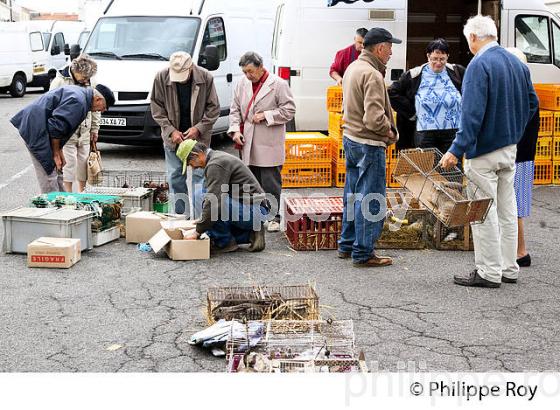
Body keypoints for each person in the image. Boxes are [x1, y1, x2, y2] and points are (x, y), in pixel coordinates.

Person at [441, 15, 539, 288]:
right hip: (509, 149)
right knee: (507, 210)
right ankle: (509, 269)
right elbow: (532, 103)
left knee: (482, 212)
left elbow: (471, 116)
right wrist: (514, 131)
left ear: (473, 37)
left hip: (483, 152)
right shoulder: (516, 63)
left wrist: (455, 149)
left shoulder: (478, 65)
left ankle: (488, 272)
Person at [337, 27, 400, 268]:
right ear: (380, 48)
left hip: (351, 138)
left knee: (353, 195)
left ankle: (347, 244)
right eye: (390, 47)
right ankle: (363, 253)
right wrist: (391, 132)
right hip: (368, 143)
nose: (391, 52)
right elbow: (374, 119)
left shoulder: (353, 67)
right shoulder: (372, 74)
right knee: (371, 198)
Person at [228, 51, 296, 232]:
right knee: (251, 181)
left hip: (269, 141)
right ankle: (256, 215)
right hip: (247, 139)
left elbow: (289, 110)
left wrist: (266, 115)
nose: (248, 75)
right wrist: (234, 130)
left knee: (270, 181)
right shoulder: (242, 83)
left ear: (260, 67)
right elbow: (234, 109)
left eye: (250, 71)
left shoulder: (278, 84)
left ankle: (273, 216)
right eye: (244, 72)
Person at [150, 51, 220, 218]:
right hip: (173, 139)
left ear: (191, 68)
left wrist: (199, 128)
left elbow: (213, 108)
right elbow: (157, 108)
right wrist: (170, 130)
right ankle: (180, 217)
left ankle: (199, 220)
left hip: (199, 140)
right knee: (175, 178)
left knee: (199, 179)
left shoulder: (205, 77)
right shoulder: (161, 77)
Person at [10, 84, 114, 194]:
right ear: (98, 99)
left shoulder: (82, 98)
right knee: (49, 173)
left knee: (58, 171)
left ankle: (62, 205)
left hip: (41, 126)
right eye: (104, 106)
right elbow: (55, 128)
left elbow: (61, 128)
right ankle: (51, 205)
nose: (102, 110)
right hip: (36, 128)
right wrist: (56, 154)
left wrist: (59, 152)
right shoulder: (79, 102)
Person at [179, 141, 267, 253]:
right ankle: (248, 234)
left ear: (197, 155)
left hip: (256, 211)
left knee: (207, 199)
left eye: (190, 163)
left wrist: (197, 231)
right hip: (248, 208)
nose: (193, 168)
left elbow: (213, 202)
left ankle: (224, 242)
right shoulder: (215, 159)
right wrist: (202, 221)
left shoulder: (216, 164)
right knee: (203, 196)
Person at [388, 38, 465, 153]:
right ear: (428, 56)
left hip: (452, 131)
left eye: (442, 59)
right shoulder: (414, 74)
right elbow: (392, 93)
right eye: (434, 59)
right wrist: (411, 112)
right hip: (425, 132)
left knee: (451, 169)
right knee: (425, 168)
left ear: (448, 56)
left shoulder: (457, 72)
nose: (438, 63)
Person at [506, 47, 540, 268]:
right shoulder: (529, 94)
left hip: (517, 157)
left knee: (513, 206)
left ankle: (520, 251)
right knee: (515, 206)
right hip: (525, 157)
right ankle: (516, 250)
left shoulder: (521, 97)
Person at [49, 54, 100, 193]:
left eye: (88, 78)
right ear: (76, 71)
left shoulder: (90, 80)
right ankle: (69, 194)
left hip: (85, 130)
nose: (86, 81)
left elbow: (96, 107)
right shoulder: (59, 81)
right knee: (69, 164)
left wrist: (95, 128)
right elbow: (51, 108)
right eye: (84, 78)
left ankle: (82, 192)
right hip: (67, 132)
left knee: (84, 164)